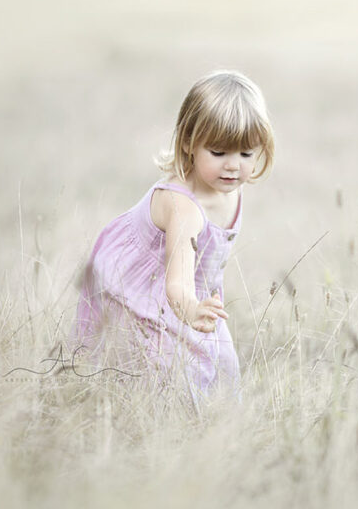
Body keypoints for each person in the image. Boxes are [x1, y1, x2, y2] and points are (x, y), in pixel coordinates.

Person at [69, 70, 274, 405]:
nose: (233, 166)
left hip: (192, 294)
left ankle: (217, 425)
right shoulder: (183, 207)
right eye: (219, 153)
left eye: (246, 154)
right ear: (189, 142)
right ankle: (139, 418)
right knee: (166, 372)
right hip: (140, 289)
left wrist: (199, 306)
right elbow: (176, 283)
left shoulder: (229, 188)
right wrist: (191, 310)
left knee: (223, 365)